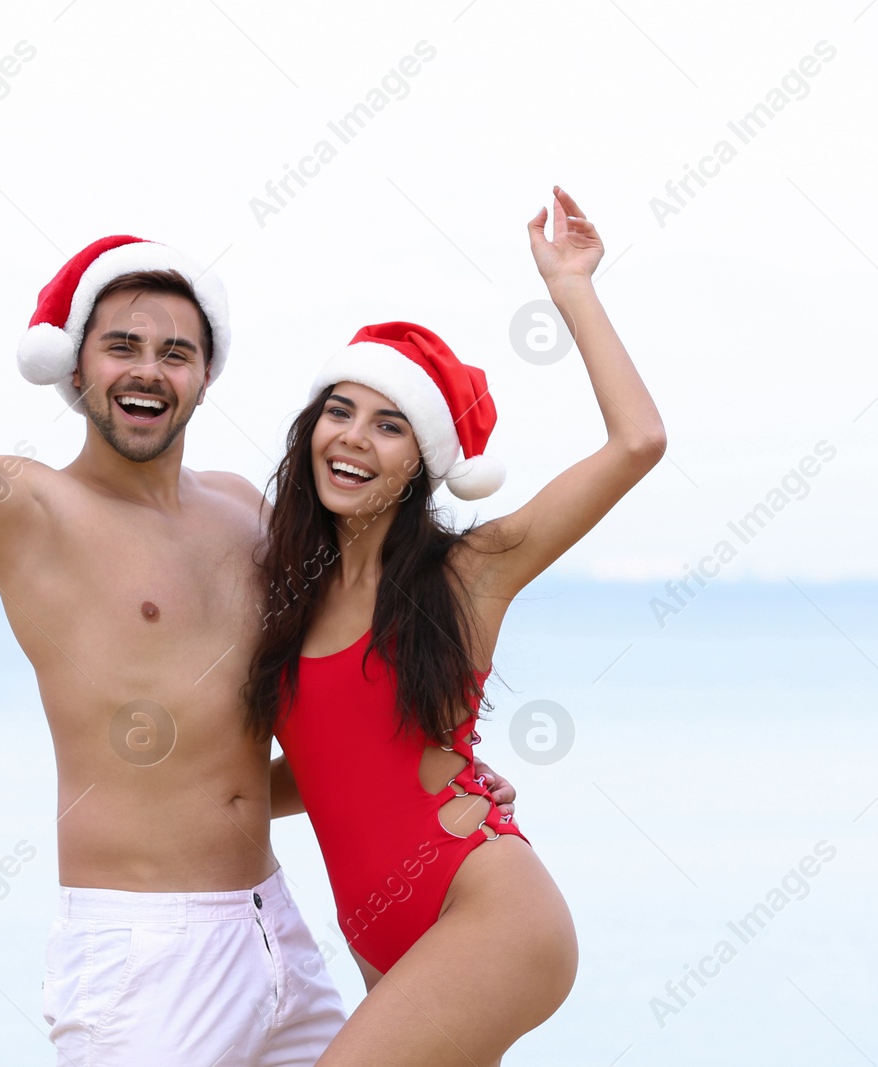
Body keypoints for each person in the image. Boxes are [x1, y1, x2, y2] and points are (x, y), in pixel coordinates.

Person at [0, 135, 517, 1065]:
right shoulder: (34, 514)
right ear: (76, 369)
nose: (148, 369)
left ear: (205, 377)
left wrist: (424, 768)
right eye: (121, 347)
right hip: (144, 954)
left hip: (274, 929)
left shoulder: (246, 513)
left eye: (176, 352)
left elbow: (314, 709)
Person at [246, 187, 667, 1065]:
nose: (354, 438)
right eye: (340, 410)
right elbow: (330, 769)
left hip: (488, 910)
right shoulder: (289, 596)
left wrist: (573, 287)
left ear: (421, 462)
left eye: (390, 424)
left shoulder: (469, 572)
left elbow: (637, 442)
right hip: (381, 937)